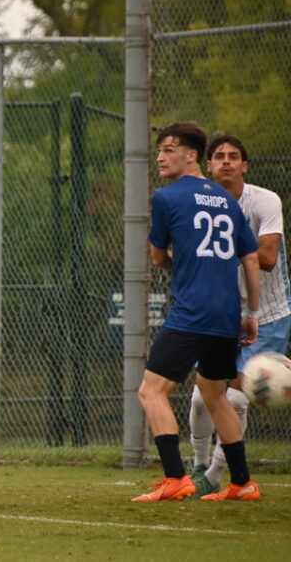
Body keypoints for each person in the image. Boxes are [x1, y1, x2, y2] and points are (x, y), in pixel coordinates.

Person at [134, 121, 261, 502]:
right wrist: (251, 312)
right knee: (214, 394)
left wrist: (181, 263)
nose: (160, 156)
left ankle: (176, 478)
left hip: (192, 312)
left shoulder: (167, 197)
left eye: (169, 149)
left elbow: (158, 258)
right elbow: (250, 258)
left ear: (192, 155)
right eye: (159, 149)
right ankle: (242, 483)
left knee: (151, 391)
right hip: (226, 313)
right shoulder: (228, 201)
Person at [188, 135, 290, 497]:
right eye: (219, 157)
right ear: (209, 166)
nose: (227, 162)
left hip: (268, 314)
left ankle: (217, 478)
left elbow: (266, 259)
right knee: (202, 397)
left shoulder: (264, 201)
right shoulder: (199, 204)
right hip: (220, 312)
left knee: (234, 398)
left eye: (234, 157)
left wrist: (223, 233)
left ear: (244, 166)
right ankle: (198, 465)